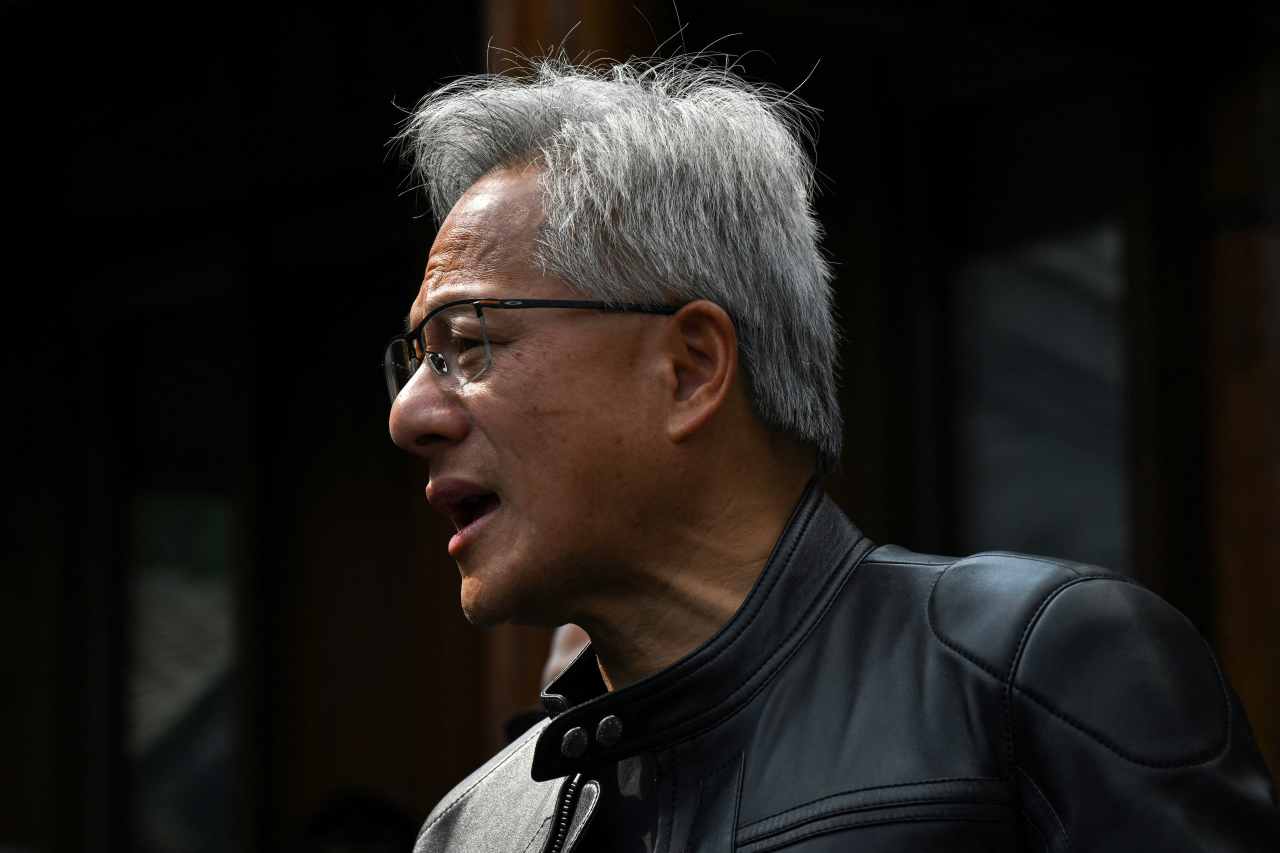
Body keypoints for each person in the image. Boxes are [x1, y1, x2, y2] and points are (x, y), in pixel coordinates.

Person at [385, 56, 1278, 852]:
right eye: (419, 359)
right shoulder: (475, 831)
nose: (410, 413)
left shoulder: (1031, 680)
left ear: (690, 368)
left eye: (468, 343)